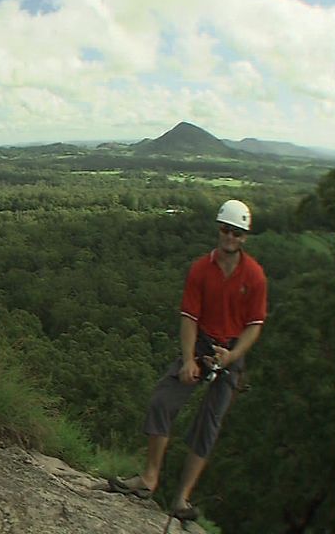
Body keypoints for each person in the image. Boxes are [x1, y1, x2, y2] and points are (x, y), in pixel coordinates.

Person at [109, 199, 267, 521]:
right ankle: (149, 478)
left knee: (209, 423)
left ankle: (181, 499)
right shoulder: (200, 269)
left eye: (237, 233)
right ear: (218, 229)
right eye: (226, 230)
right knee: (162, 401)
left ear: (244, 237)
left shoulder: (254, 276)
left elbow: (254, 325)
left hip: (232, 349)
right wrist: (187, 360)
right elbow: (189, 318)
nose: (230, 237)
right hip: (202, 342)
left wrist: (233, 356)